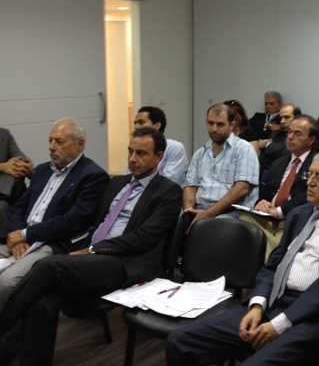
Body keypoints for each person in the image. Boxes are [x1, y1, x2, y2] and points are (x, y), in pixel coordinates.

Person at [165, 151, 319, 366]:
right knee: (180, 341)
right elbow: (272, 266)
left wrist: (280, 324)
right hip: (274, 301)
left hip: (315, 315)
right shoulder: (299, 214)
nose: (310, 182)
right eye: (309, 175)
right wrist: (257, 305)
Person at [0, 127, 182, 366]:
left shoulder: (169, 191)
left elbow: (143, 238)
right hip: (92, 259)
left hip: (125, 263)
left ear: (159, 157)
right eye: (130, 152)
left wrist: (95, 250)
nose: (132, 159)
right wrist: (84, 248)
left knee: (48, 265)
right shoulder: (117, 183)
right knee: (40, 303)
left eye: (141, 153)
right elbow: (94, 224)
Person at [0, 118, 109, 310]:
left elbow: (71, 222)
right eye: (50, 141)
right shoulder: (43, 170)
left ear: (79, 144)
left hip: (52, 243)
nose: (51, 147)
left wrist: (26, 235)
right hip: (22, 239)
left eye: (59, 142)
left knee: (6, 281)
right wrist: (16, 236)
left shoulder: (92, 176)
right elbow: (19, 207)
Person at [240, 115, 318, 257]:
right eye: (289, 132)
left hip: (293, 218)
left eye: (298, 134)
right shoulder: (279, 162)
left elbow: (312, 195)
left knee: (261, 242)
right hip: (268, 215)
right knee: (244, 220)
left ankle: (267, 264)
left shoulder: (318, 164)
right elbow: (266, 194)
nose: (290, 137)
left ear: (311, 140)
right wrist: (261, 202)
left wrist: (281, 210)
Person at [183, 103, 259, 224]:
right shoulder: (200, 153)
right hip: (200, 209)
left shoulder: (244, 149)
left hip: (232, 212)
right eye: (211, 123)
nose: (214, 129)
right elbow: (190, 187)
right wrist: (188, 211)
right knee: (173, 222)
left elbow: (242, 188)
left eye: (220, 124)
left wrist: (209, 213)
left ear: (232, 125)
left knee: (212, 226)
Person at [133, 106, 189, 187]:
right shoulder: (135, 149)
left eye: (141, 122)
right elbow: (128, 178)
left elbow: (168, 183)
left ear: (157, 125)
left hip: (159, 193)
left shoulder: (174, 147)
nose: (136, 127)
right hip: (135, 191)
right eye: (135, 123)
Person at [0, 128, 34, 235]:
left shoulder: (4, 134)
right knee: (1, 206)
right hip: (6, 198)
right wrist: (3, 166)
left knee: (15, 169)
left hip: (11, 192)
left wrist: (27, 167)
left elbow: (20, 157)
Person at [259, 103, 301, 177]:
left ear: (297, 118)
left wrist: (267, 144)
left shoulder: (302, 136)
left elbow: (287, 153)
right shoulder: (276, 134)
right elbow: (263, 158)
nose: (282, 121)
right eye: (281, 118)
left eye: (286, 117)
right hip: (266, 174)